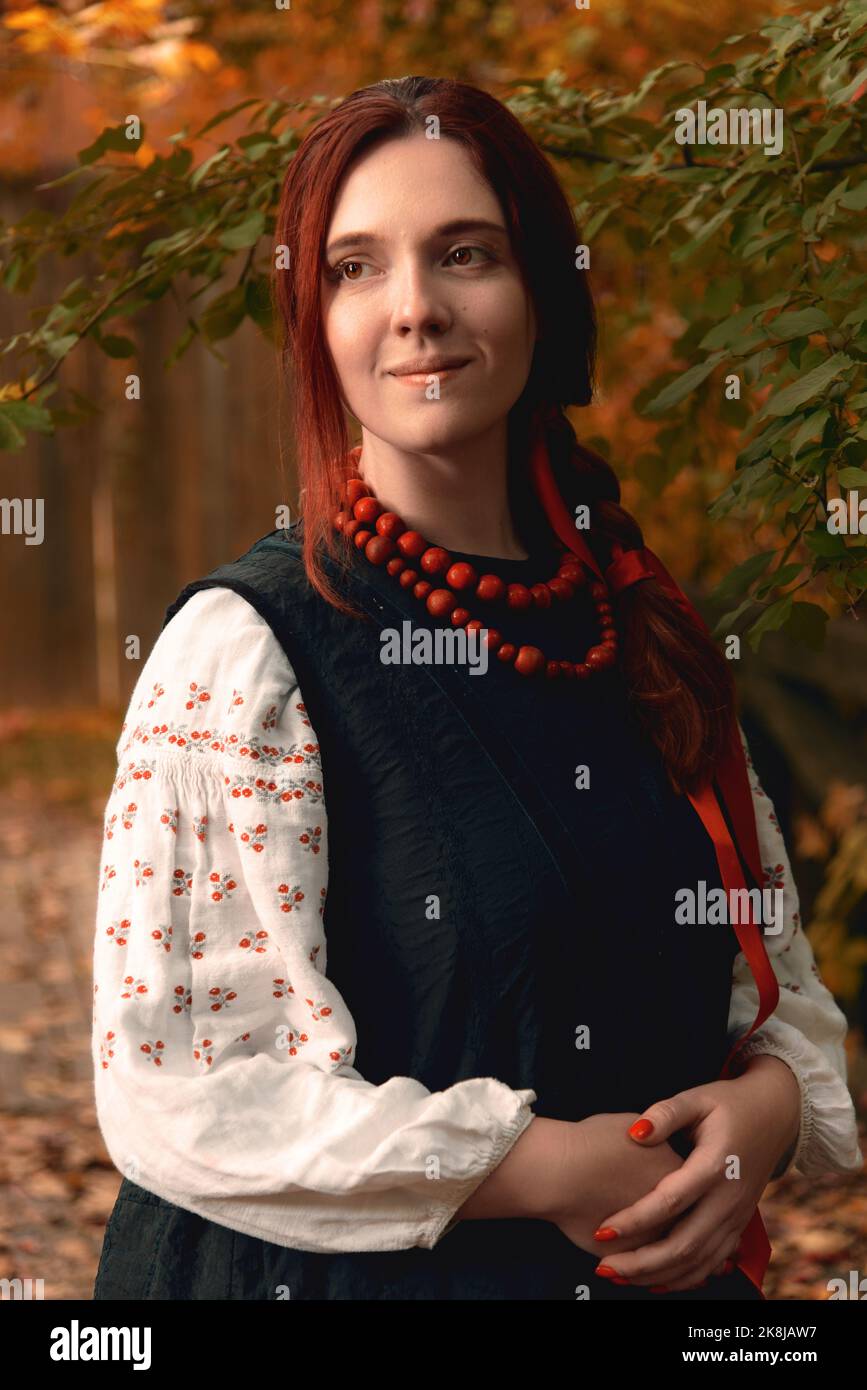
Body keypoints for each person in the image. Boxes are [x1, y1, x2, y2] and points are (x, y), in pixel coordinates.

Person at [92, 76, 862, 1302]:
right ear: (314, 320)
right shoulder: (244, 656)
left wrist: (767, 1108)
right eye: (354, 267)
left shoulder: (639, 624)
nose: (415, 311)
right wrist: (538, 1165)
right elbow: (182, 1086)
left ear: (542, 294)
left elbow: (774, 986)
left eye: (464, 253)